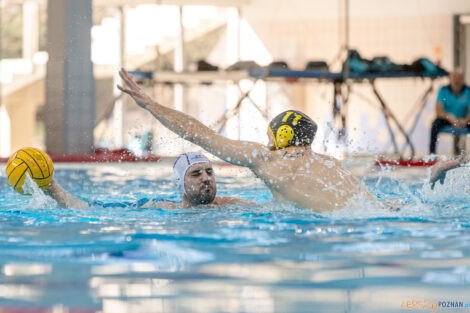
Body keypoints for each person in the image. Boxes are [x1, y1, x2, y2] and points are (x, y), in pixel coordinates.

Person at [118, 68, 373, 212]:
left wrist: (151, 105)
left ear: (279, 136)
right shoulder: (334, 166)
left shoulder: (268, 159)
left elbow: (198, 134)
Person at [45, 152, 255, 209]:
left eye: (209, 172)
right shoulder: (159, 208)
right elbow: (89, 209)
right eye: (196, 174)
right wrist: (51, 187)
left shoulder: (235, 206)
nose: (206, 178)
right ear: (179, 183)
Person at [429, 69, 470, 154]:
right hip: (447, 119)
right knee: (435, 124)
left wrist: (465, 120)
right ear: (450, 78)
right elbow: (438, 111)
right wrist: (449, 117)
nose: (457, 80)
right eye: (455, 77)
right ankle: (432, 153)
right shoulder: (443, 90)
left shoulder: (468, 91)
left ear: (463, 79)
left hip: (464, 119)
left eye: (459, 77)